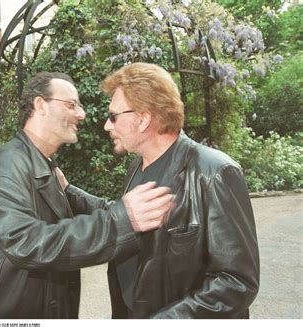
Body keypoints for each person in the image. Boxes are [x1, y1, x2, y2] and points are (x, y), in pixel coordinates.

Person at [0, 72, 174, 319]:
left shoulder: (41, 164)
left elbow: (66, 214)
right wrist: (120, 221)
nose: (81, 114)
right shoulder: (6, 167)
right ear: (40, 106)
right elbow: (27, 242)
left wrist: (72, 193)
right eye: (71, 105)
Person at [61, 63, 260, 318]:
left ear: (143, 119)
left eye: (113, 116)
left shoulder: (214, 172)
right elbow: (124, 215)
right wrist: (68, 190)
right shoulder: (138, 165)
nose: (106, 126)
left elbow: (236, 282)